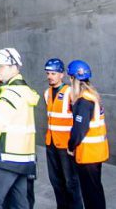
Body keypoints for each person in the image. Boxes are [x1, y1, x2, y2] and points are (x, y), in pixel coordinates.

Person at [0, 48, 40, 209]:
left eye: (1, 66)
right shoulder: (25, 91)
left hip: (5, 158)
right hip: (24, 158)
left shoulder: (9, 94)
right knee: (19, 204)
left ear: (14, 67)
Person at [66, 60, 108, 209]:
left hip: (88, 154)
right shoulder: (93, 96)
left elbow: (79, 130)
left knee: (90, 193)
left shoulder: (84, 100)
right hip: (97, 152)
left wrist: (71, 146)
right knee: (95, 189)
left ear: (73, 79)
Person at [44, 58, 81, 209]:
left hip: (66, 146)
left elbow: (78, 119)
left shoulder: (70, 92)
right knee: (56, 181)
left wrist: (74, 144)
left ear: (62, 74)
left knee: (70, 182)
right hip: (51, 143)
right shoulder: (47, 93)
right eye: (48, 73)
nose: (50, 76)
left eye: (53, 73)